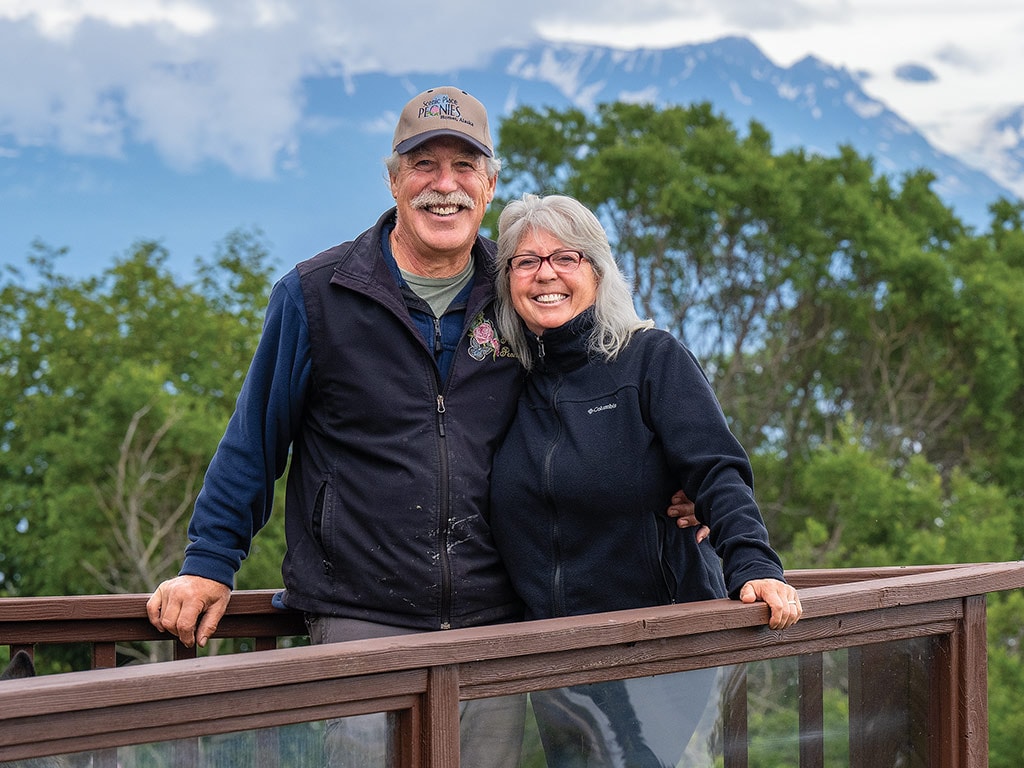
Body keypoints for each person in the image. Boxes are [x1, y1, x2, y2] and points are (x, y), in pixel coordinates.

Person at [145, 85, 530, 767]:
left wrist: (677, 490)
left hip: (494, 626)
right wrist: (209, 563)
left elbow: (594, 405)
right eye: (423, 165)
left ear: (491, 184)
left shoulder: (521, 293)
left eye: (464, 167)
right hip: (361, 621)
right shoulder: (315, 295)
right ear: (392, 180)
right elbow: (254, 440)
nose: (445, 186)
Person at [489, 193, 802, 767]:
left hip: (661, 647)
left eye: (567, 257)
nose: (546, 273)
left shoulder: (650, 359)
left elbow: (715, 468)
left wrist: (754, 564)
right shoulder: (508, 381)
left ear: (599, 271)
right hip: (555, 661)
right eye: (526, 261)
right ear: (508, 280)